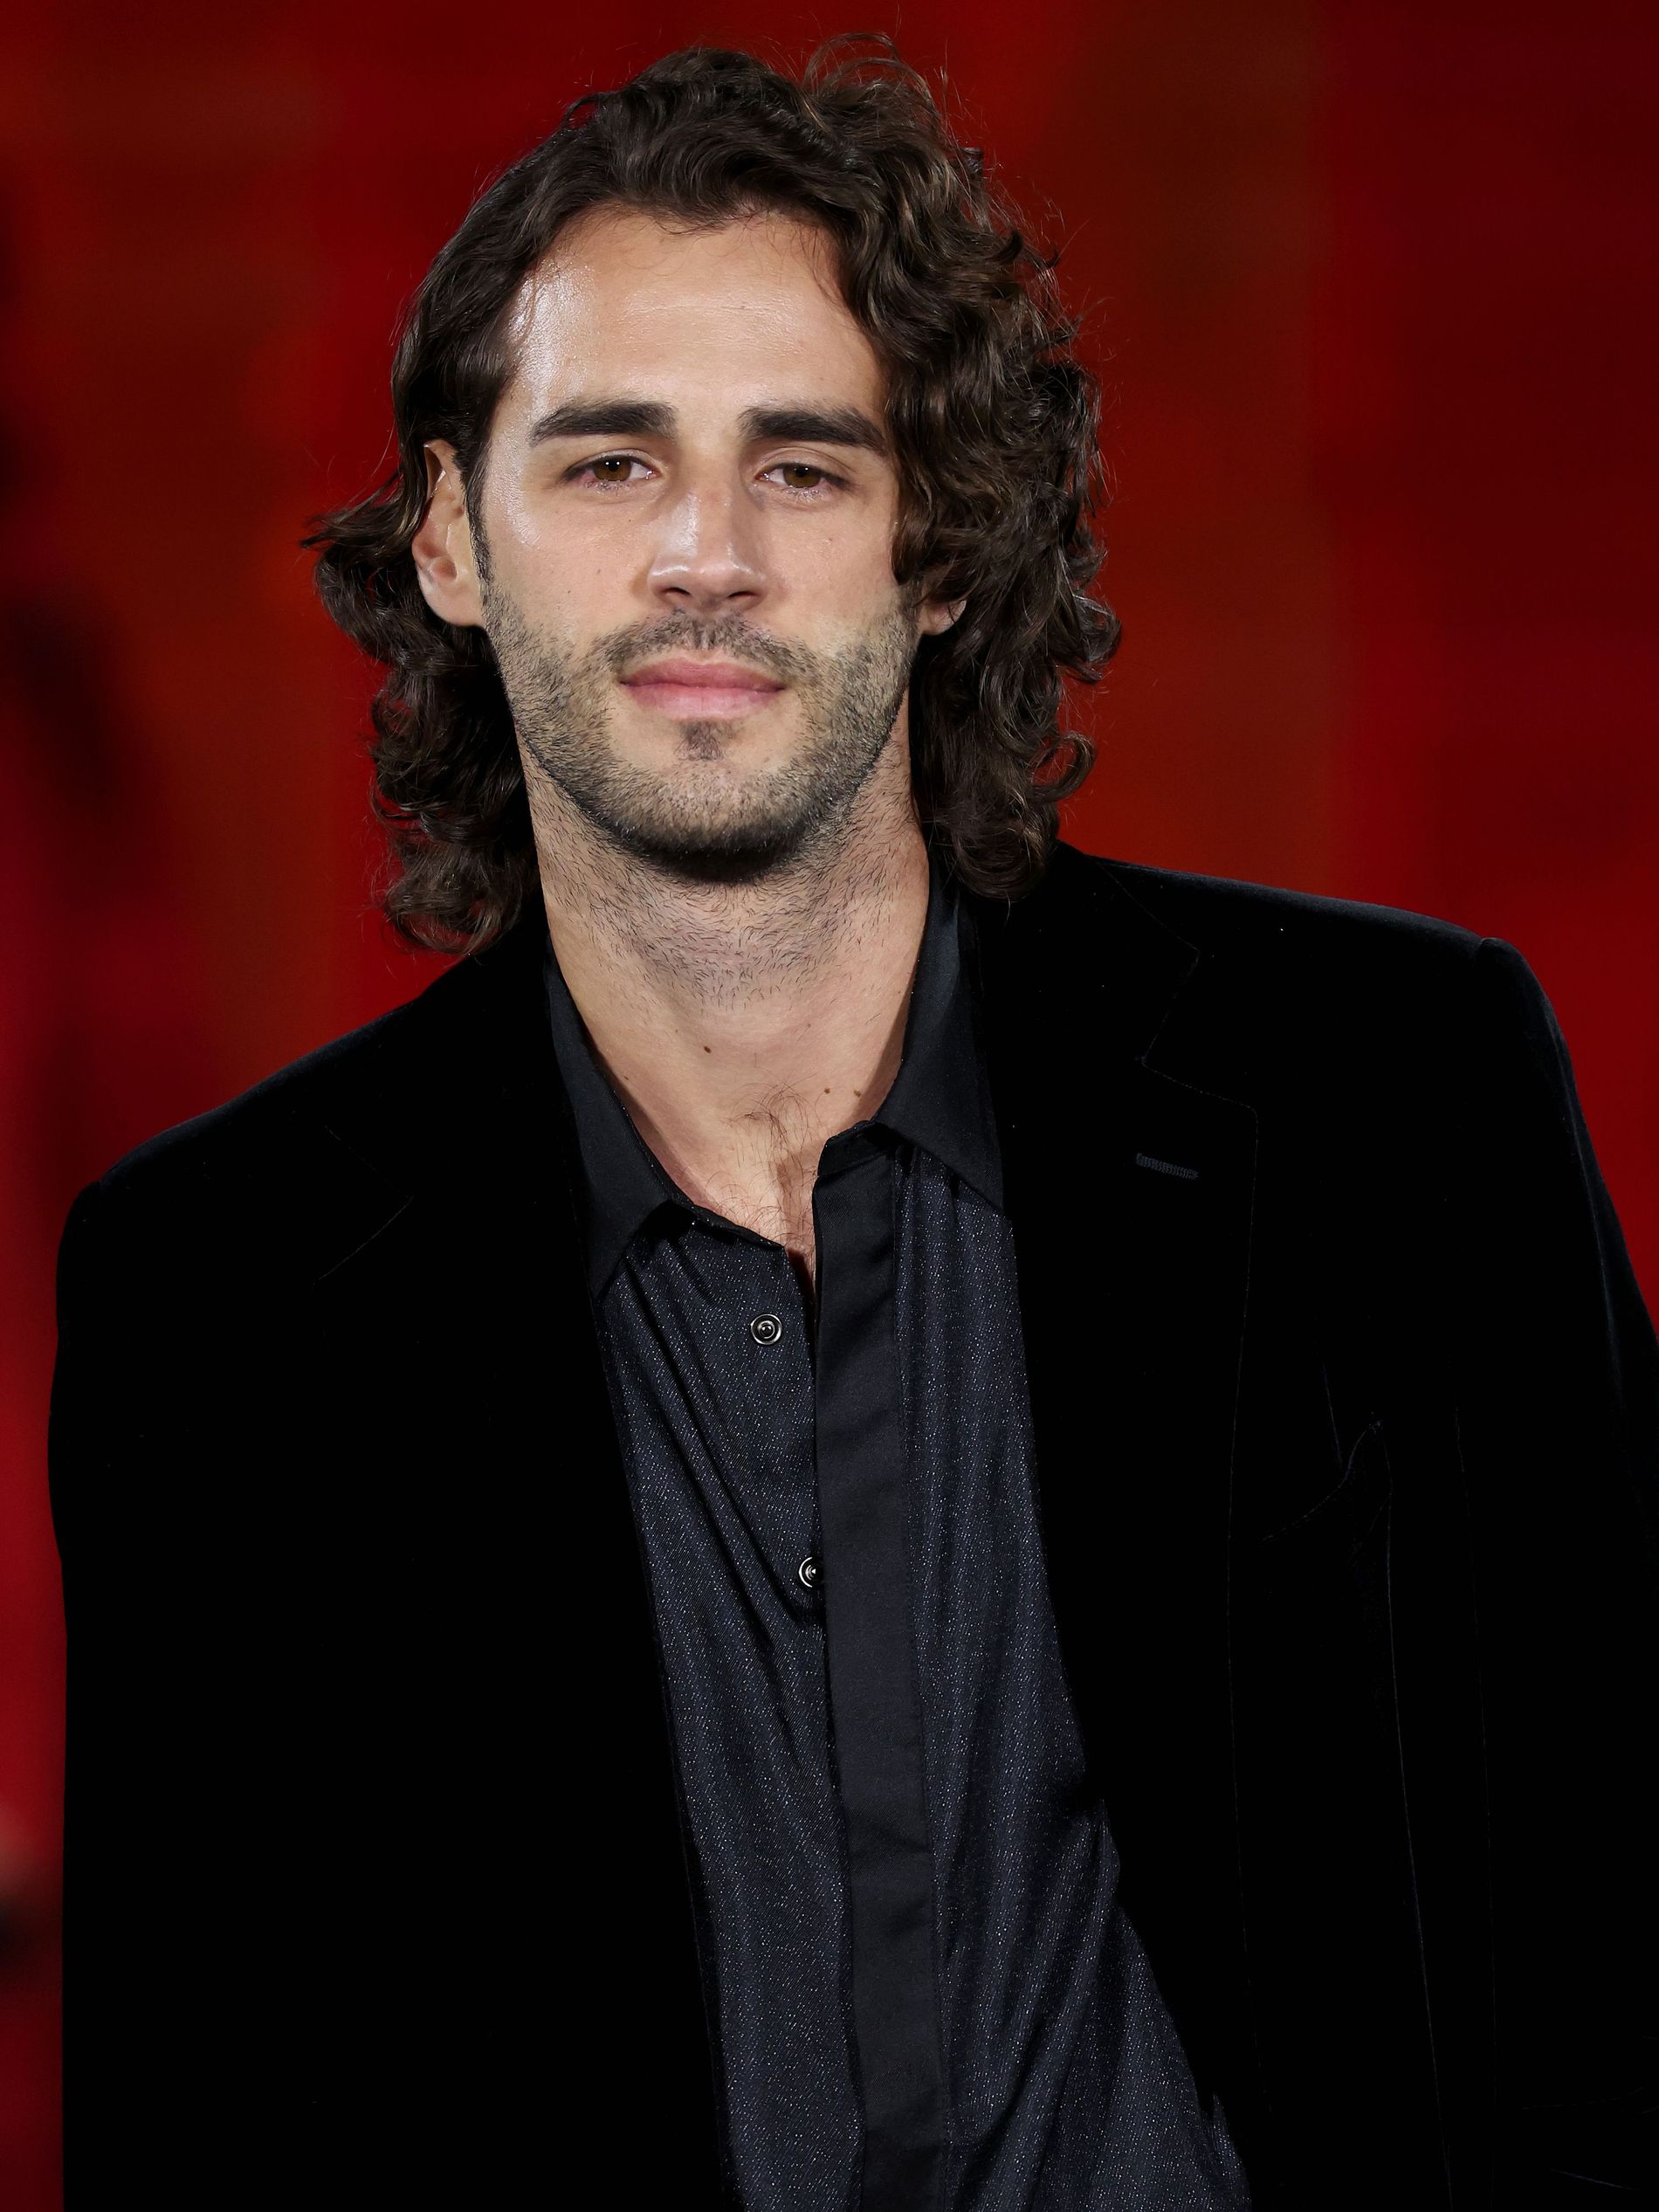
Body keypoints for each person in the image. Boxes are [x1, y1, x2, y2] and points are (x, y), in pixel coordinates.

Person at [48, 38, 1657, 2212]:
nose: (701, 554)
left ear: (938, 550)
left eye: (801, 465)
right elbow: (204, 2119)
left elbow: (1614, 1918)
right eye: (608, 461)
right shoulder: (220, 1300)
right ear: (450, 538)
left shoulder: (1397, 1102)